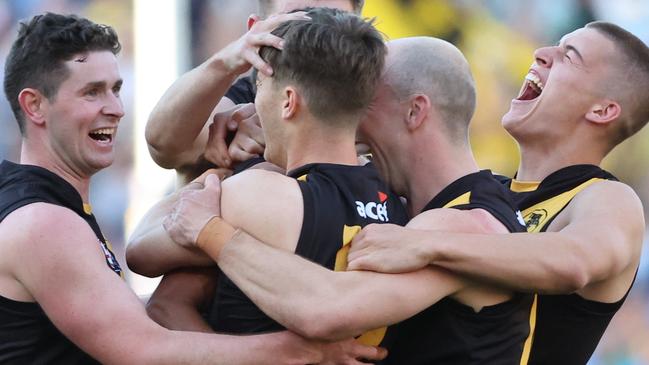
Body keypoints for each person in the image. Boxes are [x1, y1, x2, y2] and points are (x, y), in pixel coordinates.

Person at [0, 12, 378, 364]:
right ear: (35, 106)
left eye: (116, 89)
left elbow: (119, 318)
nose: (115, 108)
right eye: (92, 92)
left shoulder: (50, 208)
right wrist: (302, 351)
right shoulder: (43, 222)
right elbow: (142, 350)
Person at [163, 37, 536, 364]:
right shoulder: (420, 207)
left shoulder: (464, 223)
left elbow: (327, 309)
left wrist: (210, 232)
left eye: (364, 101)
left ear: (415, 111)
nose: (348, 116)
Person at [346, 21, 649, 365]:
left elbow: (575, 261)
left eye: (569, 55)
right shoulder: (491, 195)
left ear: (602, 110)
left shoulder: (607, 197)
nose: (541, 53)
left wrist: (424, 245)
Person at [144, 0, 365, 184]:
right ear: (255, 31)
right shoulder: (233, 113)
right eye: (298, 23)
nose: (318, 40)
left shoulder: (380, 103)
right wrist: (225, 63)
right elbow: (163, 144)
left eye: (334, 21)